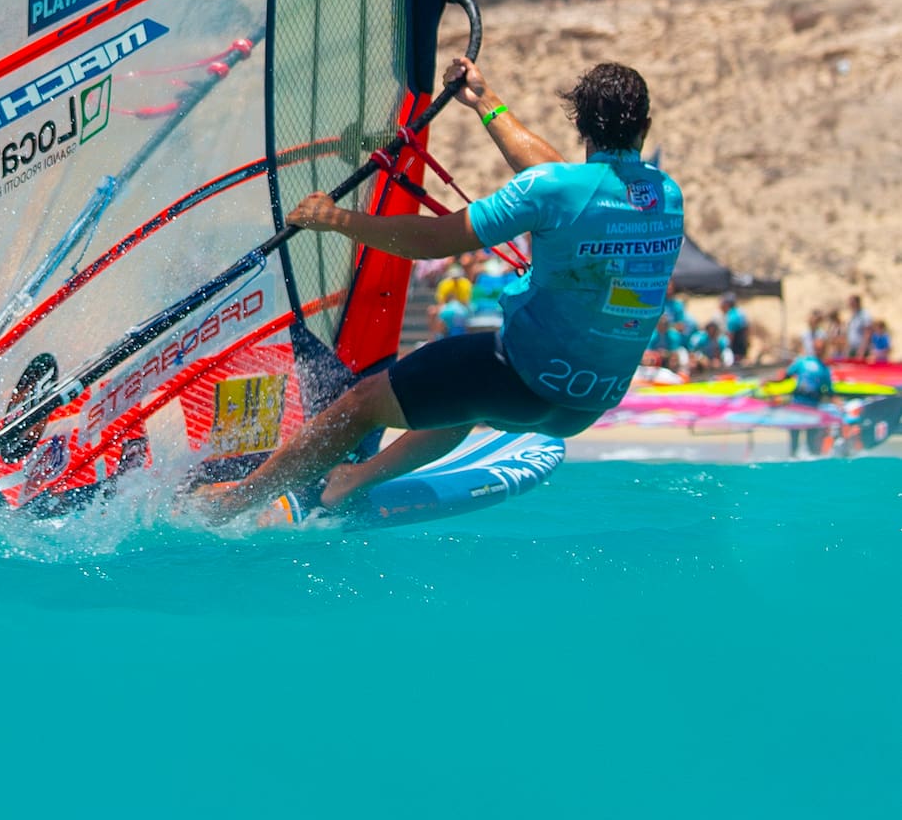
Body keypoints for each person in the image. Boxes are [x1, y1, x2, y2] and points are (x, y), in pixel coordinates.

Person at [192, 58, 685, 522]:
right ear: (644, 125)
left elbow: (432, 240)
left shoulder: (555, 190)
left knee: (366, 402)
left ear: (582, 127)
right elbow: (562, 181)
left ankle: (233, 501)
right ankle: (353, 479)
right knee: (458, 393)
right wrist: (486, 102)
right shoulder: (666, 196)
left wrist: (337, 219)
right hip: (588, 402)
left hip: (521, 379)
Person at [783, 347, 834, 458]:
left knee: (809, 439)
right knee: (797, 437)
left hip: (811, 405)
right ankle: (796, 457)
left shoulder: (823, 368)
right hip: (800, 403)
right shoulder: (805, 363)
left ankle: (802, 458)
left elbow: (829, 390)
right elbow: (786, 376)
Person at [720, 295, 750, 363]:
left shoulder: (731, 316)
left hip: (736, 345)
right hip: (743, 342)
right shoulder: (741, 312)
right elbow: (747, 328)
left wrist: (729, 347)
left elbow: (731, 334)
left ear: (727, 304)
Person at [845, 293, 873, 361]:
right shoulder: (853, 316)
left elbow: (867, 333)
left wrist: (862, 350)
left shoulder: (864, 315)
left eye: (852, 302)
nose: (850, 304)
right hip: (853, 349)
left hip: (861, 350)